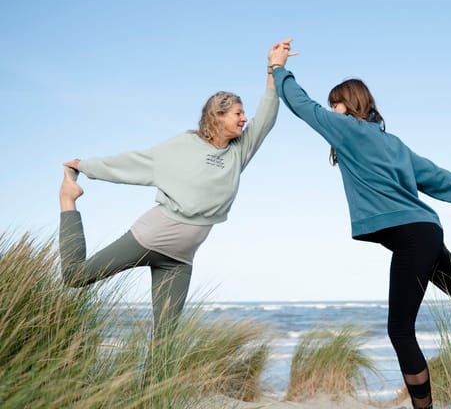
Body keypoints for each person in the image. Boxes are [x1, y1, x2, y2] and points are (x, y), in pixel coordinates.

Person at [268, 40, 451, 409]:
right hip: (424, 231)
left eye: (335, 103)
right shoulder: (392, 144)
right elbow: (434, 175)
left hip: (411, 236)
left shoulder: (347, 129)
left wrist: (277, 67)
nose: (331, 110)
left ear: (349, 105)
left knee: (399, 331)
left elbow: (301, 105)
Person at [57, 39, 293, 339]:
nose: (244, 118)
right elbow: (136, 162)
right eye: (237, 113)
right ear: (217, 116)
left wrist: (273, 68)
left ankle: (150, 388)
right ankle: (68, 200)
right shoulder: (182, 147)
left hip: (181, 258)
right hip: (149, 237)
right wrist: (87, 167)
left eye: (244, 113)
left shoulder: (239, 152)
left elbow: (267, 116)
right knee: (75, 277)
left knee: (165, 340)